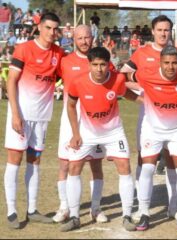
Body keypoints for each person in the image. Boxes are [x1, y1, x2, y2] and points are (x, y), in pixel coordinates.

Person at [121, 15, 177, 223]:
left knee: (173, 159)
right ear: (152, 31)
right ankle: (143, 207)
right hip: (149, 113)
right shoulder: (142, 53)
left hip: (174, 115)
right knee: (146, 160)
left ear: (171, 32)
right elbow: (123, 76)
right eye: (160, 30)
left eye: (167, 30)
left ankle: (174, 205)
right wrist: (144, 92)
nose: (163, 33)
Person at [60, 47, 138, 232]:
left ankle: (127, 215)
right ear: (89, 65)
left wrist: (147, 103)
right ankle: (74, 216)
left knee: (124, 166)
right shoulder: (78, 82)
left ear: (109, 65)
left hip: (113, 132)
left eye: (103, 64)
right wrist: (76, 133)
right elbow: (71, 106)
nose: (99, 69)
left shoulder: (117, 79)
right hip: (87, 132)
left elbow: (126, 93)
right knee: (74, 167)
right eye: (95, 65)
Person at [133, 46, 177, 231]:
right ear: (160, 62)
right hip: (152, 129)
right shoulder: (145, 74)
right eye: (166, 63)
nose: (170, 67)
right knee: (147, 168)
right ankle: (144, 213)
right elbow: (123, 78)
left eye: (174, 63)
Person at [4, 12, 65, 229]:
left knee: (35, 161)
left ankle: (32, 209)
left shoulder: (59, 53)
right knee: (14, 159)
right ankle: (12, 210)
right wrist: (16, 114)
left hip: (42, 118)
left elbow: (63, 76)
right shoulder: (24, 49)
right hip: (21, 115)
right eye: (48, 28)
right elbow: (11, 81)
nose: (52, 33)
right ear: (39, 27)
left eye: (55, 29)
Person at [52, 25, 113, 224]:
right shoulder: (65, 61)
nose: (84, 41)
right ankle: (65, 207)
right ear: (73, 39)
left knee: (95, 163)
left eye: (87, 37)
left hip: (94, 116)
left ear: (92, 37)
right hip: (70, 114)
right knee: (65, 163)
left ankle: (95, 208)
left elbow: (114, 82)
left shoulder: (101, 60)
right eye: (80, 38)